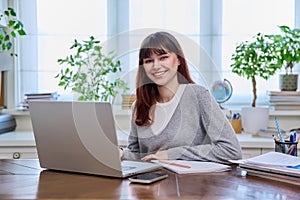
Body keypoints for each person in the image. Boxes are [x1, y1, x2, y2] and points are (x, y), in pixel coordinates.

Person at [120, 31, 242, 164]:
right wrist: (121, 154)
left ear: (178, 60)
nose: (156, 66)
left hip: (193, 183)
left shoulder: (199, 96)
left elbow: (232, 150)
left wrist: (170, 154)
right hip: (152, 182)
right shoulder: (139, 106)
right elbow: (139, 156)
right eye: (149, 61)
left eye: (163, 58)